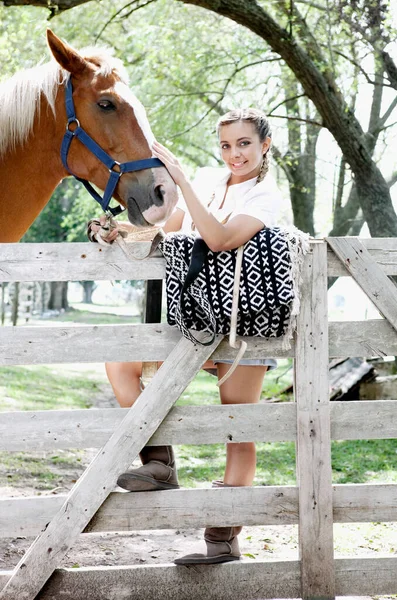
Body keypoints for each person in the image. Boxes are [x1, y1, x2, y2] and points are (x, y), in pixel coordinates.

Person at [89, 108, 282, 564]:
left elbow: (216, 239)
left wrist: (183, 182)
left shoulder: (267, 197)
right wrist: (119, 230)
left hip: (243, 323)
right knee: (121, 362)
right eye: (226, 145)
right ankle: (159, 463)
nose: (234, 154)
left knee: (238, 428)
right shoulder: (215, 188)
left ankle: (222, 538)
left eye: (244, 144)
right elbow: (165, 230)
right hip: (198, 317)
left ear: (264, 146)